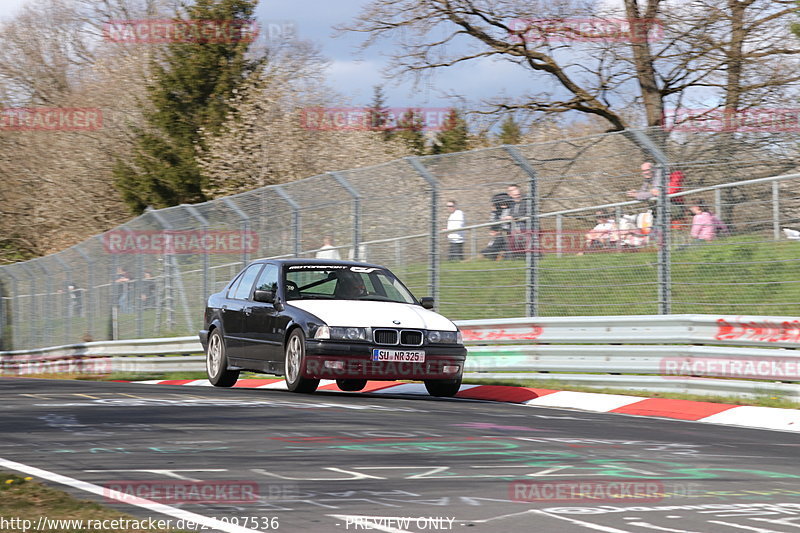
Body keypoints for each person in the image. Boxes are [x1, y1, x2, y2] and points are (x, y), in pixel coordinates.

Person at [504, 184, 528, 257]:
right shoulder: (512, 204)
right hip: (515, 228)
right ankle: (513, 256)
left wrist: (511, 217)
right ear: (509, 194)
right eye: (511, 190)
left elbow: (524, 213)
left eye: (515, 189)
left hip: (526, 226)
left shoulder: (526, 200)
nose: (514, 192)